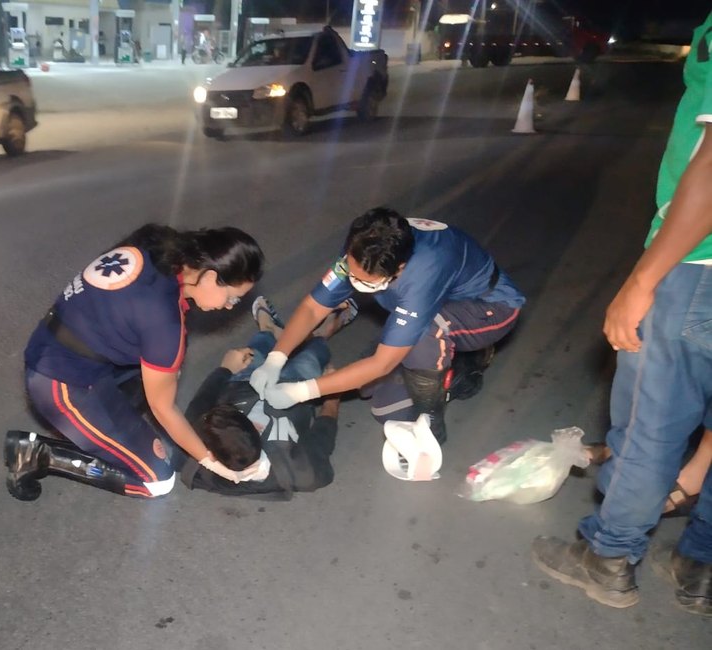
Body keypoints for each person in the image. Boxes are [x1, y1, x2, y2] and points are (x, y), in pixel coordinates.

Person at [531, 11, 712, 616]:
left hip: (698, 269)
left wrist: (643, 278)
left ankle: (609, 559)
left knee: (648, 425)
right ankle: (701, 564)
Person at [6, 224, 265, 500]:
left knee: (160, 378)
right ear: (211, 276)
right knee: (157, 480)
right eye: (232, 297)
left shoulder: (156, 243)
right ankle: (40, 455)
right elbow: (163, 409)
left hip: (52, 342)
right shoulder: (164, 324)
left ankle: (98, 431)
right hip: (59, 383)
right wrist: (209, 460)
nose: (230, 306)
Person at [251, 207, 525, 446]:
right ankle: (447, 360)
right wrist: (275, 358)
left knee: (420, 341)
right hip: (435, 305)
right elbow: (312, 308)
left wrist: (301, 391)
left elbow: (381, 364)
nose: (355, 283)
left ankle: (436, 413)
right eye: (351, 273)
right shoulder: (364, 245)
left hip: (488, 310)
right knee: (380, 400)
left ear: (400, 268)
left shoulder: (423, 272)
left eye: (367, 282)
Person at [179, 297, 356, 497]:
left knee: (256, 351)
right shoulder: (302, 472)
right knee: (313, 354)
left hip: (244, 383)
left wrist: (225, 369)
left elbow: (201, 400)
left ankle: (268, 329)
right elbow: (323, 436)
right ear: (257, 428)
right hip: (295, 389)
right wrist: (332, 397)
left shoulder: (188, 457)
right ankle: (322, 333)